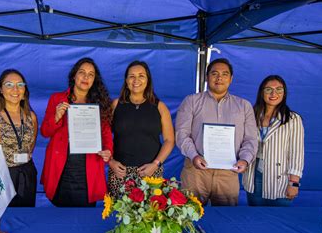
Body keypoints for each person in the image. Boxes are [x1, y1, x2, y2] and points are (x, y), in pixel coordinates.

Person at [175, 58, 257, 206]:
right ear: (207, 77)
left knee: (226, 220)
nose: (219, 78)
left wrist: (244, 159)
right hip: (196, 172)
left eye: (225, 74)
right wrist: (194, 156)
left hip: (229, 173)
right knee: (188, 217)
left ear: (231, 79)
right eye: (214, 73)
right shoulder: (191, 101)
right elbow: (182, 134)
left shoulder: (244, 106)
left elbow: (250, 139)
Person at [41, 57, 113, 207]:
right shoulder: (57, 99)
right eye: (82, 72)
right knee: (59, 219)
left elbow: (106, 135)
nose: (86, 77)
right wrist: (56, 117)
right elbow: (45, 132)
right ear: (74, 75)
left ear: (94, 80)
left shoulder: (100, 104)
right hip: (61, 169)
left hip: (88, 169)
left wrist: (108, 151)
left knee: (84, 216)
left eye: (91, 74)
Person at [108, 61, 175, 198]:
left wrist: (155, 164)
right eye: (131, 76)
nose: (136, 80)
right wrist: (111, 162)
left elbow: (169, 140)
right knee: (119, 216)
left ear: (148, 79)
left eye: (141, 76)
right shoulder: (115, 105)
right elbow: (103, 138)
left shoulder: (160, 107)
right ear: (126, 80)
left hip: (150, 173)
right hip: (120, 173)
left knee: (149, 217)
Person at [0, 69, 38, 207]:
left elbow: (31, 143)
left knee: (24, 216)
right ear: (1, 90)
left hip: (26, 174)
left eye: (20, 84)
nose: (15, 89)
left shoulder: (31, 117)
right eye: (9, 84)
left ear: (24, 90)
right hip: (1, 175)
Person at [242, 75, 304, 206]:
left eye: (279, 89)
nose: (273, 93)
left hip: (281, 178)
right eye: (268, 89)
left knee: (279, 219)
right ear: (262, 92)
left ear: (284, 93)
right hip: (254, 175)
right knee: (255, 218)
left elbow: (297, 153)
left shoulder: (293, 119)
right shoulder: (251, 115)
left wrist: (294, 183)